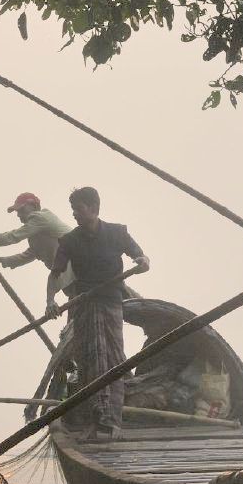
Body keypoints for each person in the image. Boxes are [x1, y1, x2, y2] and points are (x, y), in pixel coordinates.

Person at [44, 187, 150, 441]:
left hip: (112, 302)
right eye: (73, 210)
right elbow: (55, 274)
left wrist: (142, 261)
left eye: (78, 209)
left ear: (93, 208)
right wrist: (50, 300)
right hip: (85, 304)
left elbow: (141, 256)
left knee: (112, 359)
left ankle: (110, 420)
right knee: (91, 359)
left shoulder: (117, 233)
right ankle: (96, 416)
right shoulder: (69, 241)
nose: (75, 214)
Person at [0, 192, 76, 296]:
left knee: (84, 307)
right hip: (69, 277)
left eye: (21, 210)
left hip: (77, 269)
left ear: (34, 206)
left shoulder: (40, 217)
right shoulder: (37, 235)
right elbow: (26, 256)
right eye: (17, 212)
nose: (19, 215)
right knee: (80, 311)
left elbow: (12, 237)